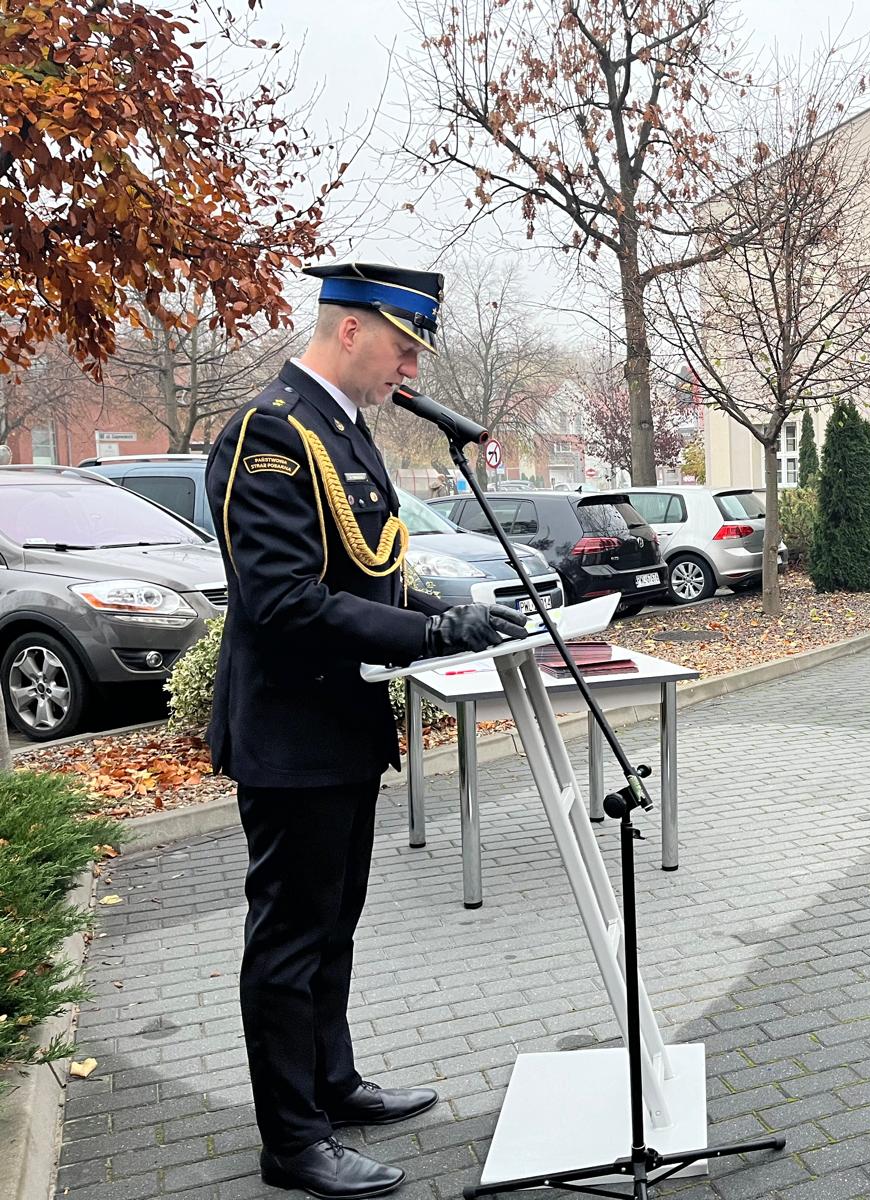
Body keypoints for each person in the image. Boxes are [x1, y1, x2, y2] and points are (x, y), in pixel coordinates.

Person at [205, 262, 528, 1199]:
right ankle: (292, 1140)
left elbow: (369, 573)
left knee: (333, 923)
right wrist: (428, 636)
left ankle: (332, 1083)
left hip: (342, 725)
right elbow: (282, 600)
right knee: (289, 937)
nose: (410, 369)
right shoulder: (271, 433)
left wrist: (454, 609)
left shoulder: (343, 430)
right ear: (350, 330)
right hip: (291, 732)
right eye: (402, 347)